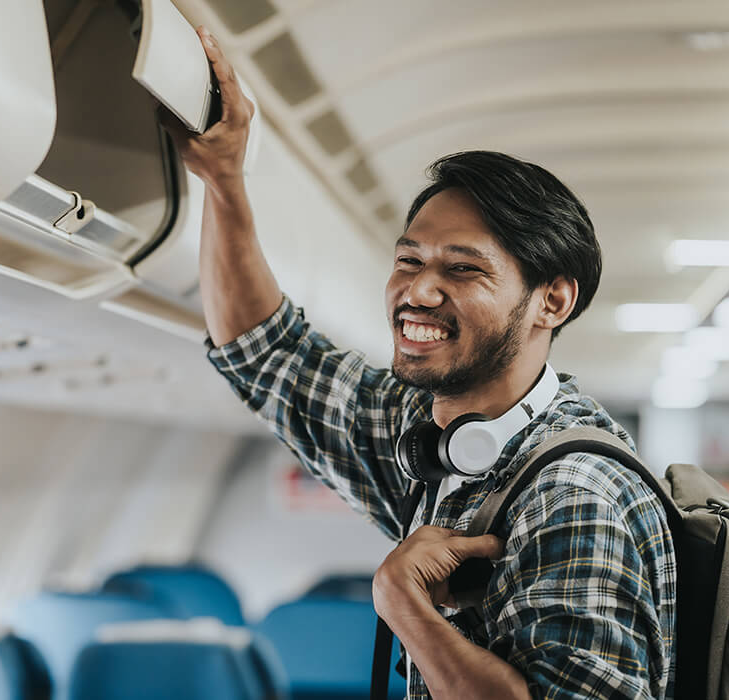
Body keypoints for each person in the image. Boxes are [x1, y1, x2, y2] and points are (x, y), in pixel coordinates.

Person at [161, 26, 676, 700]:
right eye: (409, 261)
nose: (419, 292)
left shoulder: (574, 496)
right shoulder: (430, 437)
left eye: (462, 269)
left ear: (552, 300)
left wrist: (405, 608)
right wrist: (224, 178)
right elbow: (267, 354)